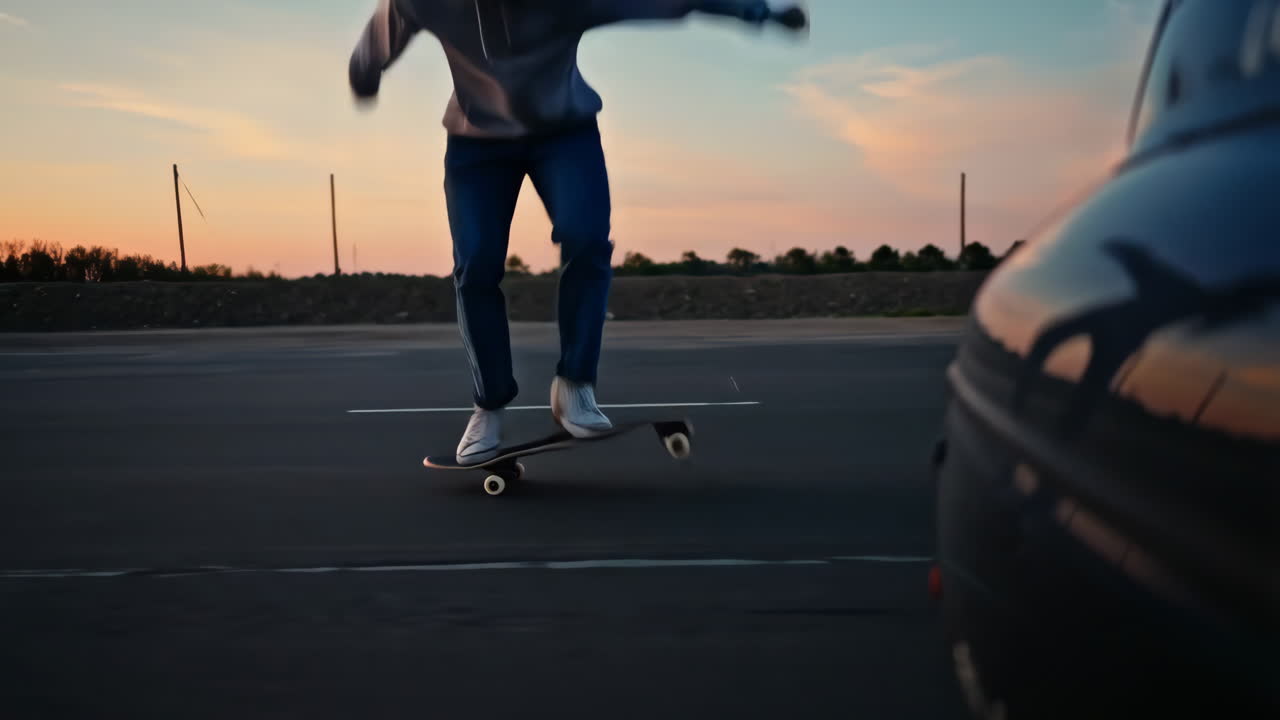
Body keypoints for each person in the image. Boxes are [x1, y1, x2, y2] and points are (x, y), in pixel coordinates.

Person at [349, 0, 808, 464]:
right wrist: (365, 68)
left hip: (564, 133)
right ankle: (488, 405)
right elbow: (386, 29)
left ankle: (575, 386)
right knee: (476, 265)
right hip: (476, 145)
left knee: (587, 240)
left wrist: (760, 13)